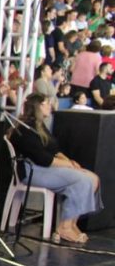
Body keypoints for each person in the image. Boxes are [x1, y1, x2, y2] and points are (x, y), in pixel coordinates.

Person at [10, 94, 102, 244]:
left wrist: (69, 161)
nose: (50, 106)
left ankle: (71, 223)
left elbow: (54, 149)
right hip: (33, 170)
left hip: (45, 167)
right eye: (47, 103)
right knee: (83, 180)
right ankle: (65, 227)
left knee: (93, 178)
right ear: (38, 106)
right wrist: (68, 166)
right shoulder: (25, 129)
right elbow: (43, 159)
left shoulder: (40, 125)